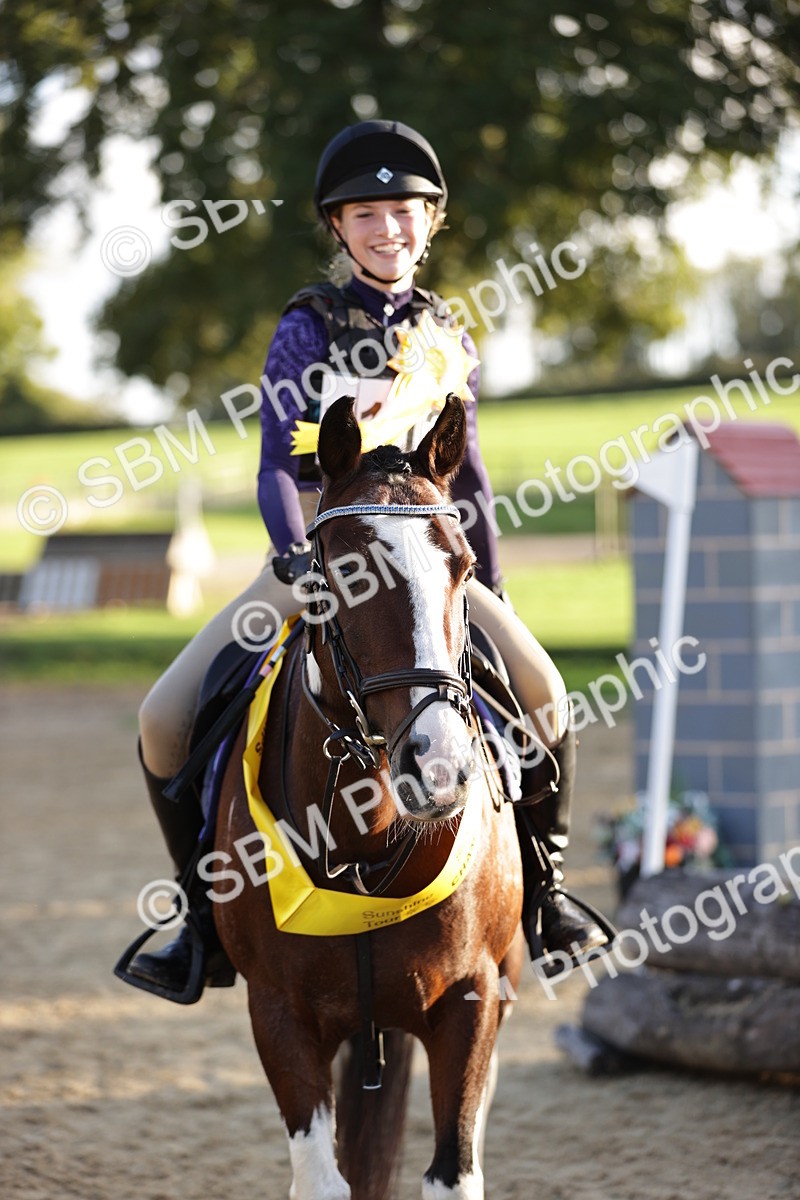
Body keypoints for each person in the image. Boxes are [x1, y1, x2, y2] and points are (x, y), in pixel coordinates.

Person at [124, 119, 609, 1003]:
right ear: (338, 229)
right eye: (368, 214)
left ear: (433, 222)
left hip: (430, 564)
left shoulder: (449, 334)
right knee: (163, 718)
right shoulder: (305, 328)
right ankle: (200, 923)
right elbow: (276, 463)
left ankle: (550, 898)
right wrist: (297, 559)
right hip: (317, 553)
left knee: (545, 694)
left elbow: (472, 474)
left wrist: (487, 585)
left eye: (406, 211)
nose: (390, 229)